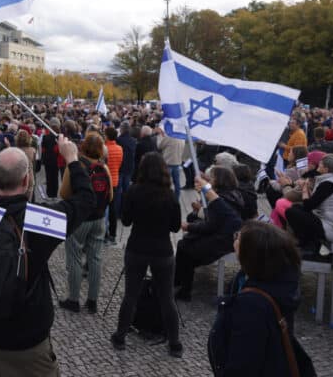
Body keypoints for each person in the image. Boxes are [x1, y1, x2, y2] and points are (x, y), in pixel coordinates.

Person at [0, 136, 96, 377]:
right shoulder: (40, 221)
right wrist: (72, 158)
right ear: (27, 179)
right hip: (26, 340)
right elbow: (86, 200)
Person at [110, 152, 182, 357]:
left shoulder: (133, 191)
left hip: (137, 248)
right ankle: (175, 344)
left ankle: (120, 336)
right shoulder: (169, 194)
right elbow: (176, 227)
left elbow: (125, 221)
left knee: (130, 295)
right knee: (167, 298)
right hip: (162, 250)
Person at [211, 221, 301, 376]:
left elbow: (243, 364)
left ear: (251, 254)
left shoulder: (253, 305)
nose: (235, 239)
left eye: (239, 237)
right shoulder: (276, 282)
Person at [58, 132, 111, 314]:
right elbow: (110, 196)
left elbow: (64, 194)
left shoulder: (75, 166)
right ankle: (92, 300)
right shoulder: (104, 168)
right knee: (95, 258)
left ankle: (73, 299)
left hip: (79, 220)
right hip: (99, 219)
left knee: (74, 257)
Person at [175, 168, 243, 301]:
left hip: (222, 240)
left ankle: (184, 290)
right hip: (224, 236)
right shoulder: (232, 194)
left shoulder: (222, 198)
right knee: (185, 243)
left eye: (211, 178)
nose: (209, 180)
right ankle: (179, 281)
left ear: (219, 180)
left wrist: (189, 227)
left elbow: (210, 225)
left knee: (185, 246)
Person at [285, 153, 333, 260]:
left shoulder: (329, 183)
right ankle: (308, 246)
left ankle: (309, 248)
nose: (318, 167)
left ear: (326, 169)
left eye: (320, 165)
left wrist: (305, 189)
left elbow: (309, 206)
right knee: (296, 208)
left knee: (292, 212)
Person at [104, 126, 123, 245]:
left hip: (106, 181)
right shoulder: (120, 148)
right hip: (115, 180)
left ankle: (104, 234)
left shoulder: (105, 149)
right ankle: (113, 235)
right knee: (113, 209)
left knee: (104, 209)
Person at [156, 125, 185, 200]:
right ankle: (176, 200)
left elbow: (159, 146)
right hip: (177, 163)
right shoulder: (182, 138)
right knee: (177, 184)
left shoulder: (169, 137)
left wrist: (160, 136)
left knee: (165, 184)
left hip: (167, 163)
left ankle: (165, 199)